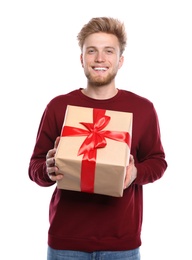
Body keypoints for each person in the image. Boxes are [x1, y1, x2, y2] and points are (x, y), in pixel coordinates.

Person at [28, 17, 167, 260]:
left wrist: (135, 174)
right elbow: (34, 167)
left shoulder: (142, 108)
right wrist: (47, 170)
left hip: (122, 244)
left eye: (108, 51)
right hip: (66, 242)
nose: (100, 59)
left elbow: (158, 162)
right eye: (91, 51)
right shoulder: (59, 106)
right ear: (82, 58)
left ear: (120, 60)